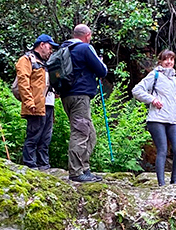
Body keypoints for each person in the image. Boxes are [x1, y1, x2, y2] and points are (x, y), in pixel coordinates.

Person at [132, 50, 176, 186]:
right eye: (165, 59)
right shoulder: (155, 75)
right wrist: (152, 100)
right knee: (162, 150)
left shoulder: (175, 80)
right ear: (160, 62)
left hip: (173, 119)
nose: (169, 62)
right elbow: (136, 90)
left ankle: (174, 181)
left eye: (171, 59)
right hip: (156, 119)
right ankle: (161, 184)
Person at [60, 24, 107, 183]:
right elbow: (102, 71)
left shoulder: (64, 48)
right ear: (88, 35)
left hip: (66, 96)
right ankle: (76, 172)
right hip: (80, 96)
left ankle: (84, 168)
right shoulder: (85, 49)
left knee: (90, 133)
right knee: (80, 132)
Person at [17, 34, 59, 170]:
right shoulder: (26, 60)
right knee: (34, 136)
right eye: (50, 47)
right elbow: (23, 83)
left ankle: (43, 164)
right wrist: (29, 103)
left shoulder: (46, 63)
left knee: (46, 137)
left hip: (49, 104)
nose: (51, 50)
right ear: (42, 45)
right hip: (35, 105)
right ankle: (30, 164)